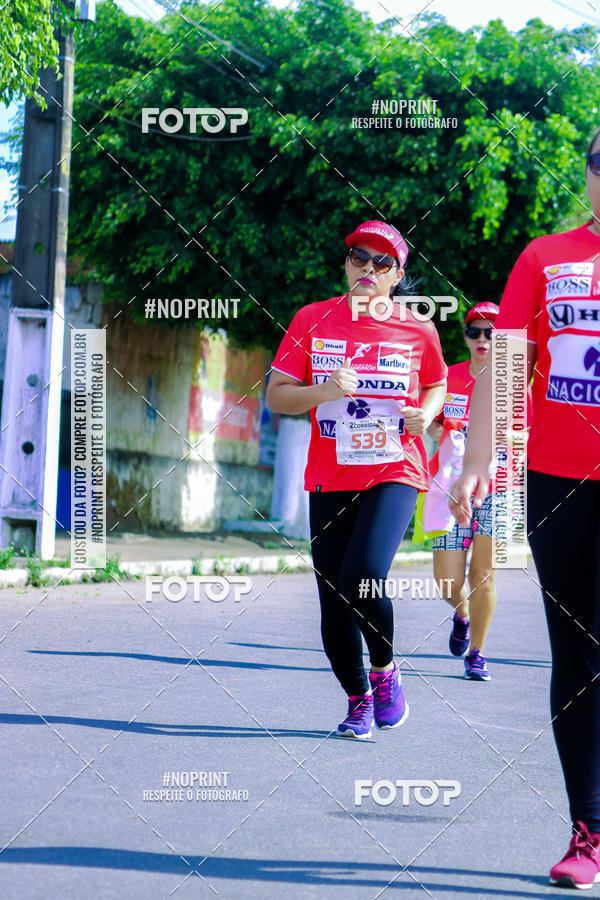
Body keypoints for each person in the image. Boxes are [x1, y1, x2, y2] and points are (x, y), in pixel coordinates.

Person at [448, 133, 600, 887]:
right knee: (579, 654)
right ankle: (589, 830)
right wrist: (477, 463)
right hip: (561, 479)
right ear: (588, 173)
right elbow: (506, 367)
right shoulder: (546, 257)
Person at [266, 220, 447, 739]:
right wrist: (322, 391)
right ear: (346, 265)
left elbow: (434, 384)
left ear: (397, 275)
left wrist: (427, 413)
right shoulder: (312, 319)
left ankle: (385, 670)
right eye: (358, 258)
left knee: (363, 574)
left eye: (381, 263)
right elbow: (278, 395)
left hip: (395, 468)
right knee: (332, 597)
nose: (368, 269)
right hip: (330, 475)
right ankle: (358, 699)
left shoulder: (418, 328)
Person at [425, 302, 501, 681]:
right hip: (449, 485)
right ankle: (462, 614)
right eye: (476, 332)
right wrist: (438, 429)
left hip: (499, 487)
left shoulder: (516, 383)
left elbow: (529, 432)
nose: (484, 338)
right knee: (447, 581)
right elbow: (431, 421)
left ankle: (478, 653)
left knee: (483, 574)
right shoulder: (448, 377)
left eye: (492, 332)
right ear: (467, 337)